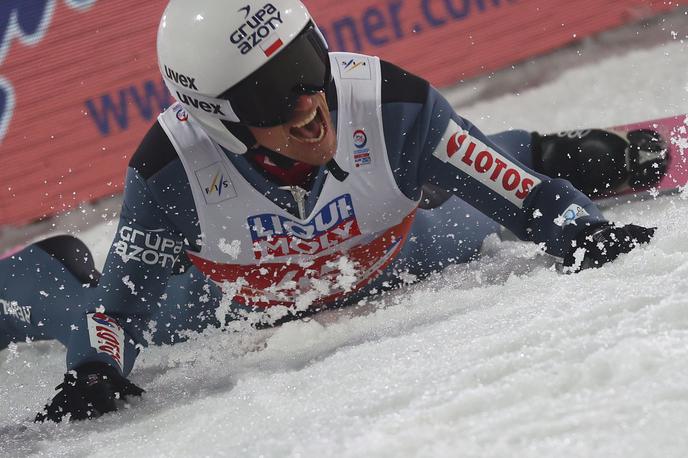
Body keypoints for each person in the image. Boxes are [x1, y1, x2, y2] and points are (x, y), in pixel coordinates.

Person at [0, 0, 664, 423]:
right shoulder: (168, 172)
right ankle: (53, 265)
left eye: (307, 64)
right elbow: (118, 314)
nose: (310, 105)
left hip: (394, 248)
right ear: (216, 120)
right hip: (232, 295)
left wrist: (581, 228)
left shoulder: (390, 102)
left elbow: (521, 198)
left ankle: (548, 147)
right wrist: (97, 369)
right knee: (74, 319)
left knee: (470, 200)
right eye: (269, 96)